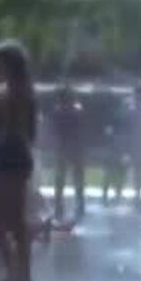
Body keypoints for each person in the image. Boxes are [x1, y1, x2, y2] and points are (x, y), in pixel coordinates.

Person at [0, 42, 39, 281]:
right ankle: (16, 273)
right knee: (3, 220)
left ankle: (21, 275)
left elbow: (14, 129)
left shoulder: (15, 93)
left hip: (11, 156)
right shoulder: (11, 91)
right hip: (10, 155)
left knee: (11, 221)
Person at [48, 84, 87, 223]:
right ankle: (77, 202)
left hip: (66, 145)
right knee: (71, 176)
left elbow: (56, 129)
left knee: (65, 176)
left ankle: (65, 203)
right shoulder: (74, 110)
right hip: (71, 145)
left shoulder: (61, 111)